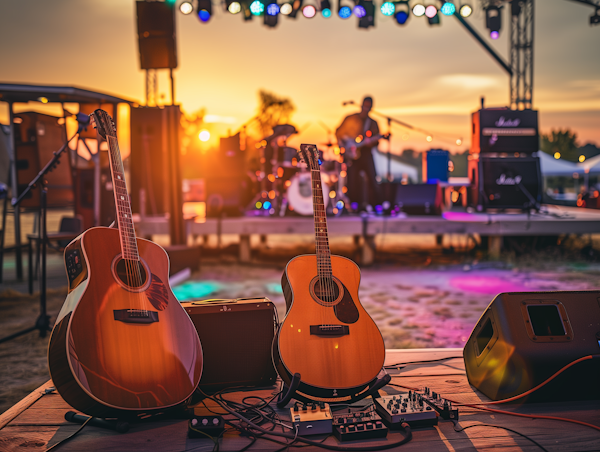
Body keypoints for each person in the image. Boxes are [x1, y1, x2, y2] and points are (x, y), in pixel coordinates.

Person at [335, 96, 382, 211]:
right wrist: (343, 146)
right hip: (352, 156)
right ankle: (353, 204)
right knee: (352, 181)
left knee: (372, 178)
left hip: (366, 154)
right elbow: (338, 132)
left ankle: (377, 205)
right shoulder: (351, 118)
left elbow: (376, 143)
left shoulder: (373, 123)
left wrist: (370, 142)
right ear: (361, 105)